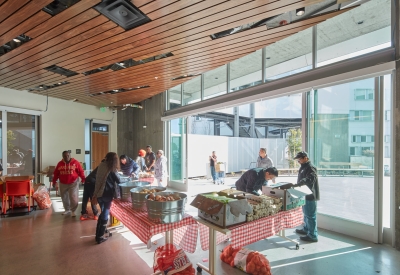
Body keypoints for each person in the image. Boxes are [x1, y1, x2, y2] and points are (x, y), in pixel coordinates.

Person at [291, 151, 320, 243]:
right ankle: (306, 229)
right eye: (298, 160)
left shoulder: (311, 168)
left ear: (305, 158)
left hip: (310, 195)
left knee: (310, 215)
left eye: (300, 159)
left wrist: (300, 183)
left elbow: (310, 179)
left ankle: (312, 235)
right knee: (306, 214)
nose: (299, 161)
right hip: (304, 194)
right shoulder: (304, 167)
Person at [92, 152, 121, 244]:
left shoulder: (101, 165)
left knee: (103, 212)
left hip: (99, 193)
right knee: (105, 213)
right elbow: (119, 180)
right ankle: (100, 236)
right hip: (107, 194)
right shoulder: (111, 168)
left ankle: (99, 233)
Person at [52, 151, 85, 217]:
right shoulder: (60, 163)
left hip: (73, 182)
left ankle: (73, 210)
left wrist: (83, 179)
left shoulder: (75, 162)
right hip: (63, 183)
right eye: (65, 156)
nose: (66, 157)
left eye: (68, 156)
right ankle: (67, 209)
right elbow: (56, 173)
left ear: (70, 155)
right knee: (64, 197)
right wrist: (54, 181)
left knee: (73, 197)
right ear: (62, 156)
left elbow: (81, 171)